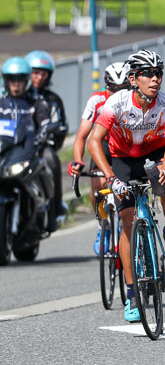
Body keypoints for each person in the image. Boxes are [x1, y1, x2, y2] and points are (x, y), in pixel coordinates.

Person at [88, 49, 165, 323]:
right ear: (133, 78)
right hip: (122, 160)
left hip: (153, 155)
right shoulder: (116, 104)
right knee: (127, 221)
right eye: (148, 74)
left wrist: (164, 170)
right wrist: (111, 178)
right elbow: (95, 142)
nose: (155, 79)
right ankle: (131, 294)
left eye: (158, 74)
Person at [68, 62, 130, 254]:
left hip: (126, 146)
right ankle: (103, 225)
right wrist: (78, 161)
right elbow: (81, 136)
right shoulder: (96, 100)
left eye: (123, 89)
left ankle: (126, 221)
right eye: (113, 89)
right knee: (98, 184)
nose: (118, 93)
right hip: (103, 144)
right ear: (106, 86)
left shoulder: (135, 100)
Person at [25, 50, 68, 232]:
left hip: (40, 147)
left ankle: (55, 207)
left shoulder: (52, 100)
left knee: (51, 159)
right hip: (16, 147)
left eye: (43, 73)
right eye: (35, 72)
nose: (39, 77)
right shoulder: (14, 98)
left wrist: (50, 138)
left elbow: (61, 126)